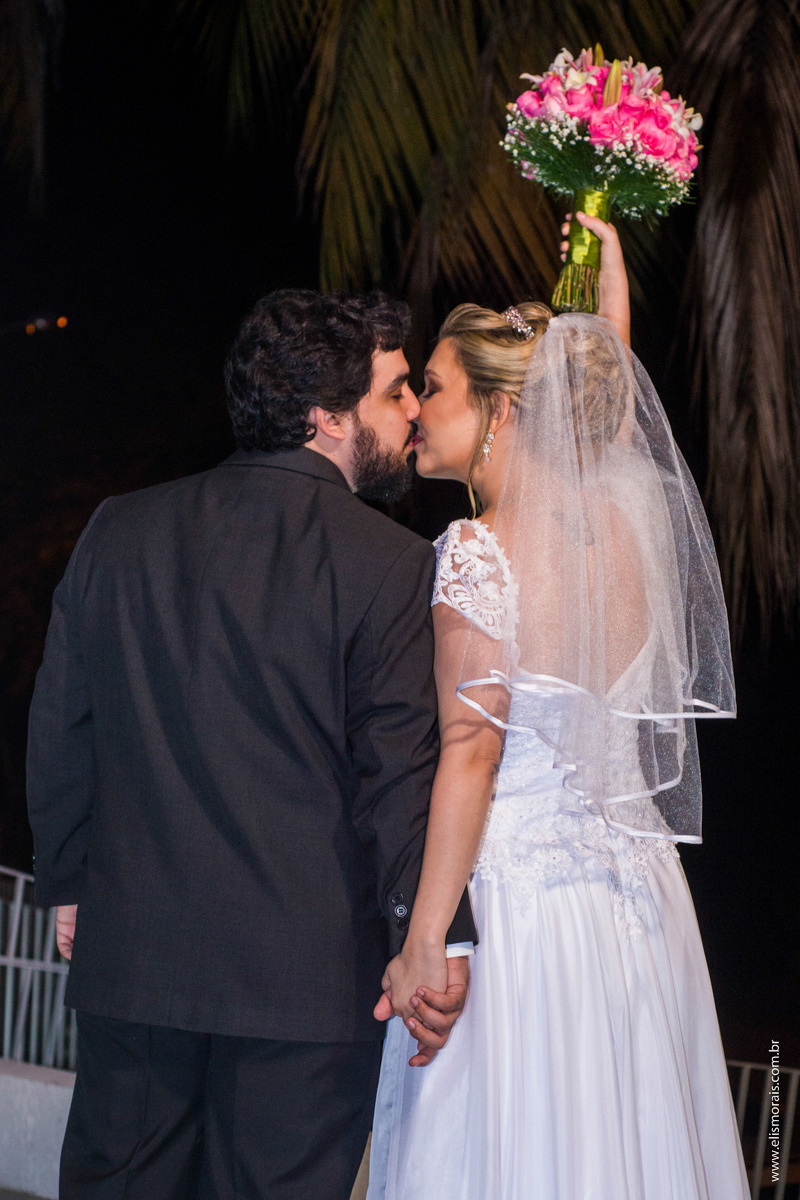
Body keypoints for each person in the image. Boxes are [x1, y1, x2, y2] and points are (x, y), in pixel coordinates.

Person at [26, 289, 478, 1200]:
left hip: (134, 967)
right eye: (394, 394)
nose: (411, 414)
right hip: (303, 996)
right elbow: (394, 777)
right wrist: (435, 941)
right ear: (326, 415)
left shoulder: (121, 527)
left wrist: (70, 880)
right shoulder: (388, 563)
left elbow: (63, 724)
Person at [367, 215, 751, 1199]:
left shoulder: (478, 555)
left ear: (501, 410)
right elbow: (608, 406)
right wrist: (605, 285)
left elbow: (469, 755)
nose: (417, 413)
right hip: (637, 908)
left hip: (527, 916)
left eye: (437, 391)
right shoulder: (626, 517)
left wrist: (422, 941)